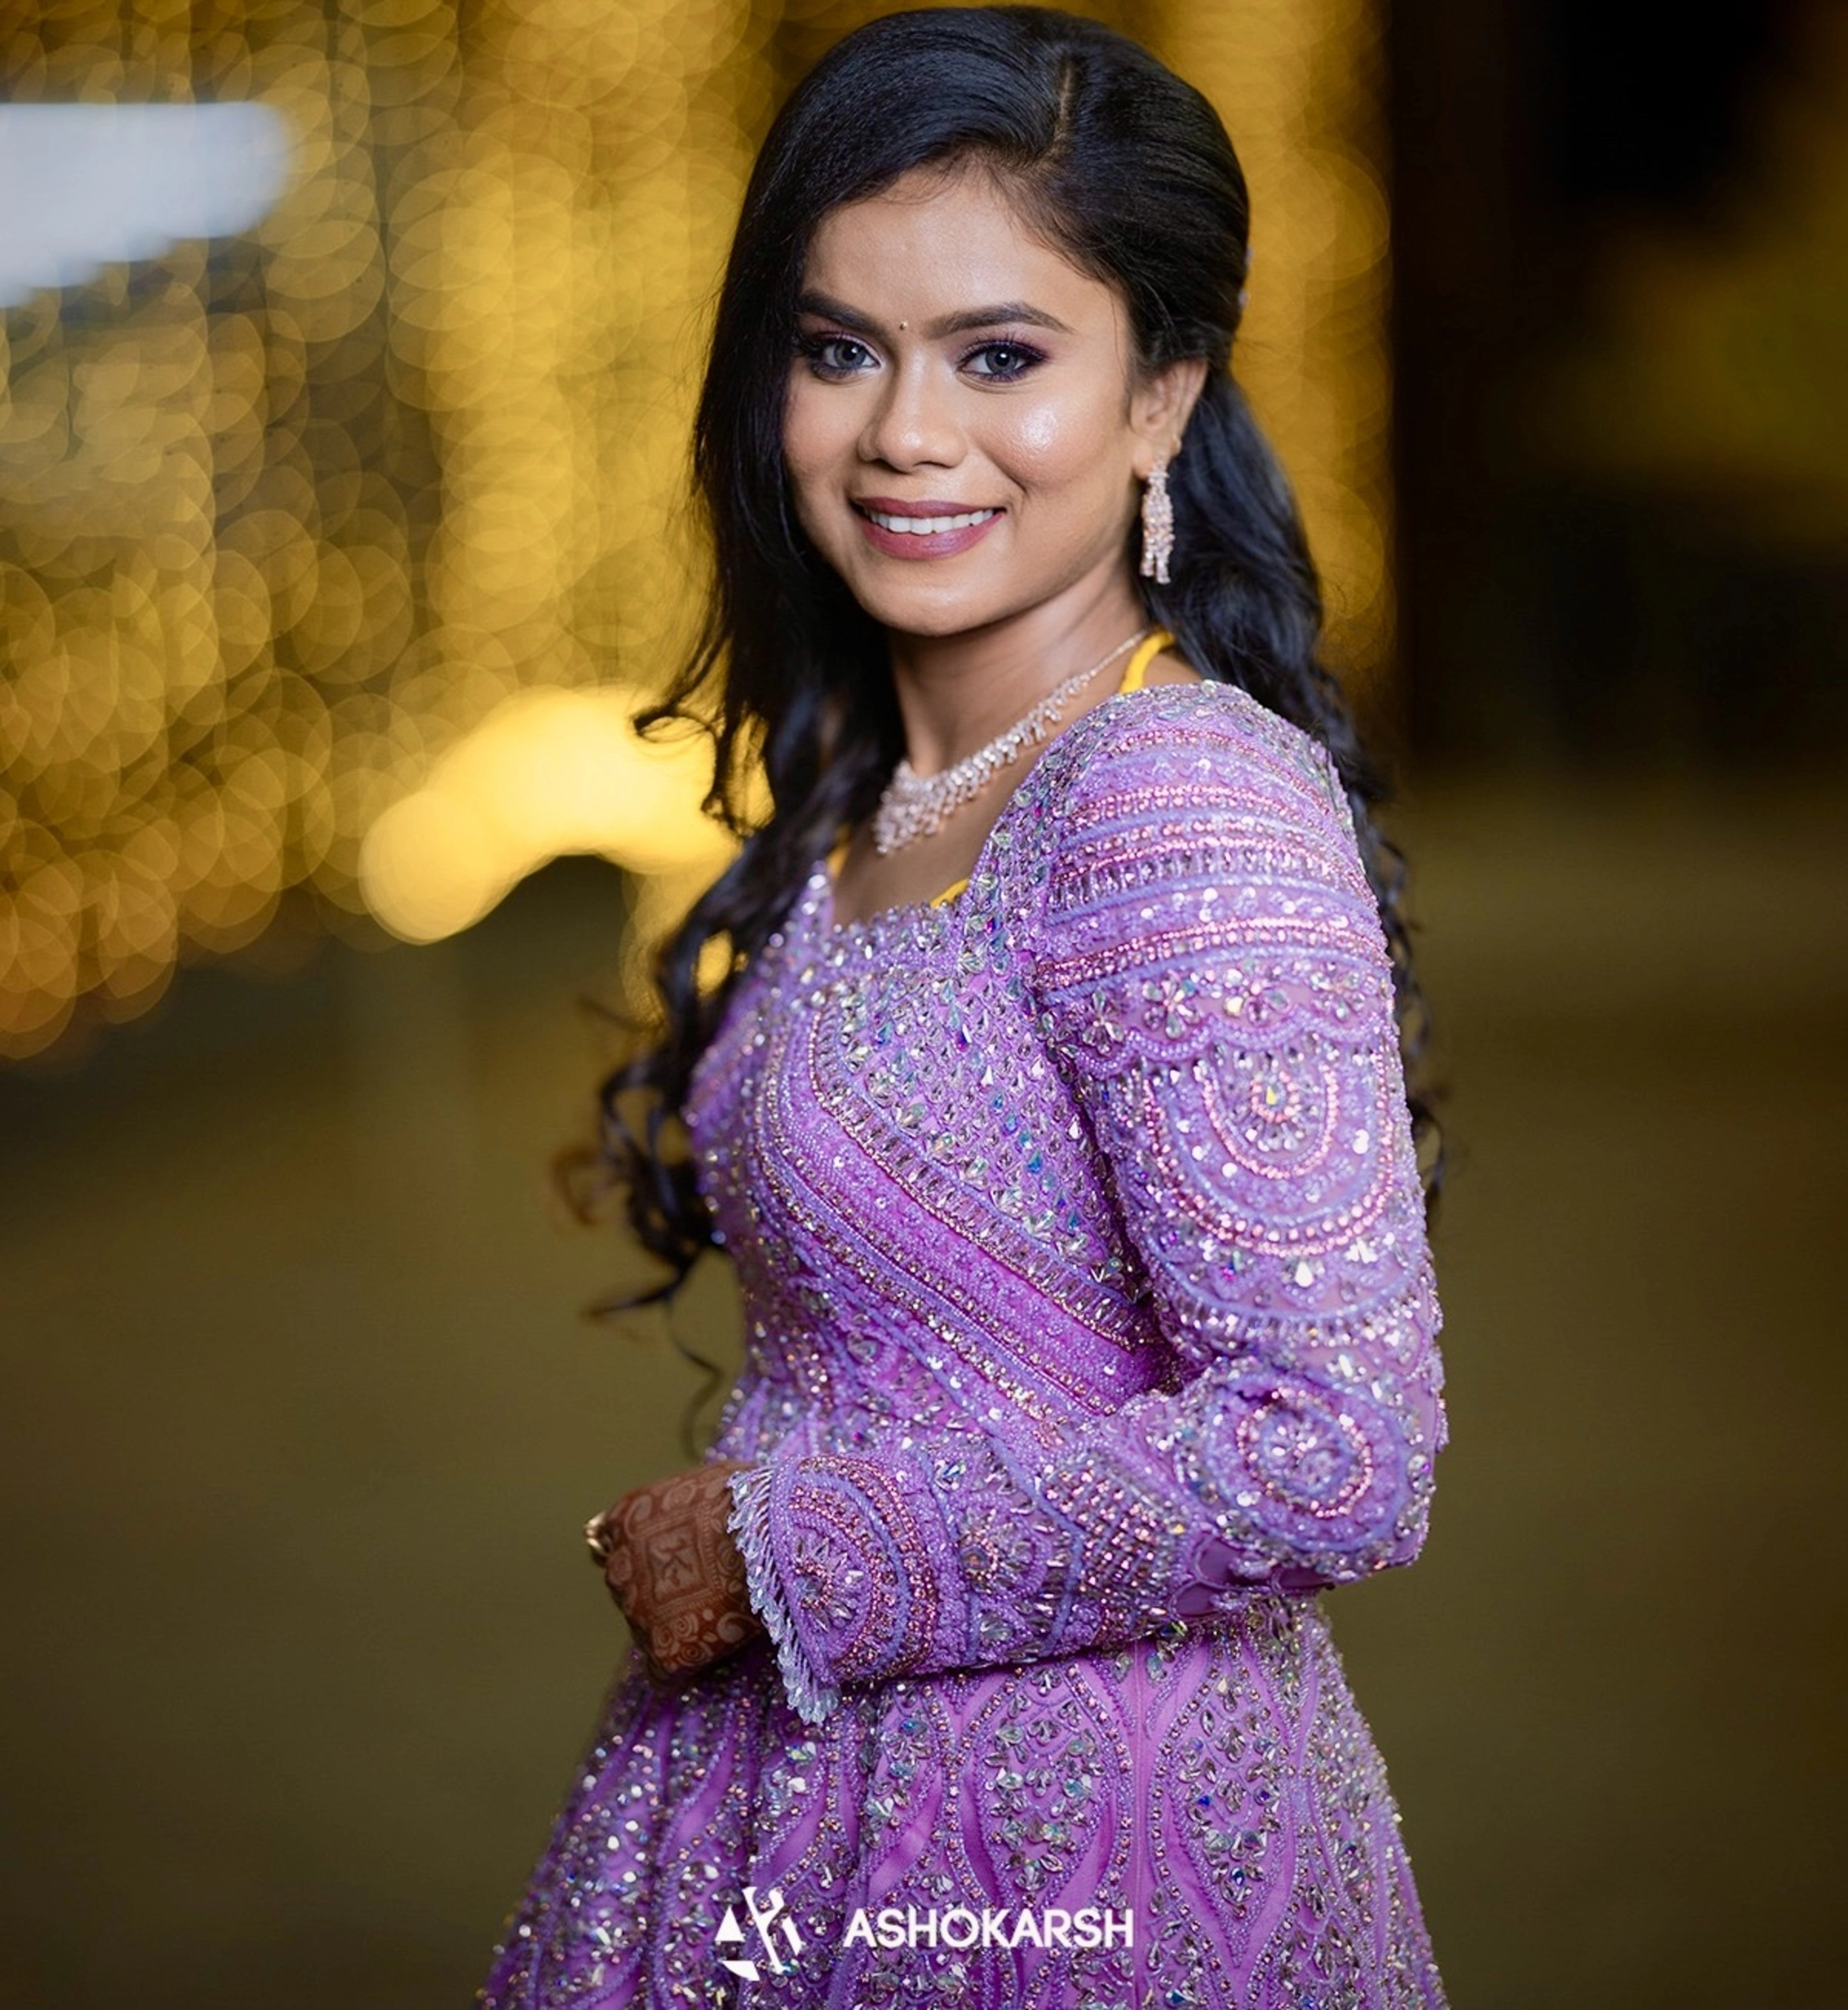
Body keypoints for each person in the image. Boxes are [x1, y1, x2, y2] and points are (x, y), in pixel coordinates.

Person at [478, 8, 1448, 2004]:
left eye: (1001, 355)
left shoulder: (1168, 795)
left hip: (1091, 1864)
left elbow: (1337, 1442)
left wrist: (784, 1548)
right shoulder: (878, 789)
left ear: (1162, 390)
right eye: (840, 348)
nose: (906, 431)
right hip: (788, 1819)